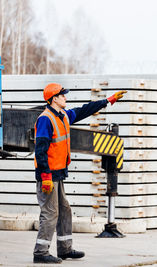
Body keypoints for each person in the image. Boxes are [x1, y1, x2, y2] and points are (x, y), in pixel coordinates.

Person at [33, 83, 127, 264]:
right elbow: (40, 150)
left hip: (58, 174)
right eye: (62, 95)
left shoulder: (63, 116)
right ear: (54, 99)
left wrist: (107, 101)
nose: (65, 98)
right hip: (48, 175)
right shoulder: (46, 119)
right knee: (50, 213)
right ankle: (40, 252)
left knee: (64, 211)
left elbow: (84, 110)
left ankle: (65, 249)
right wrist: (44, 176)